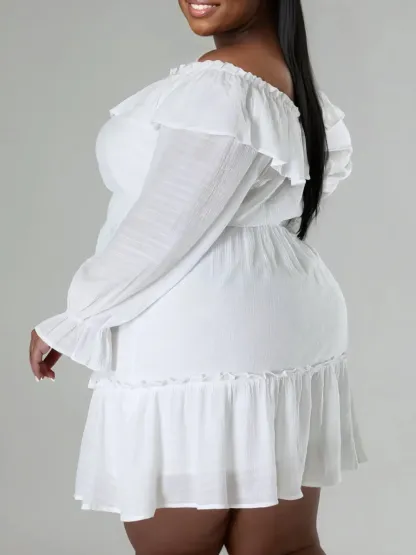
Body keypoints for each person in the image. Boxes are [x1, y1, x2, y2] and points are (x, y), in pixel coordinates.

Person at [29, 1, 366, 554]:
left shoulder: (227, 84)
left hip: (200, 336)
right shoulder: (282, 76)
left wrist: (80, 316)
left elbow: (168, 223)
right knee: (285, 547)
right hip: (279, 318)